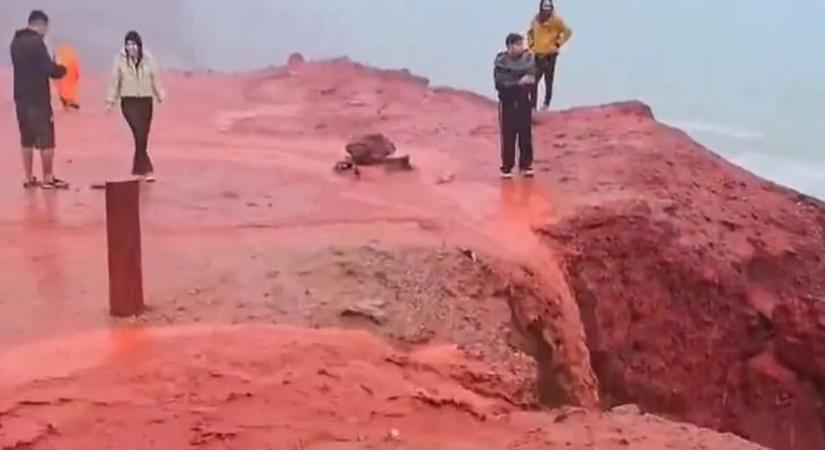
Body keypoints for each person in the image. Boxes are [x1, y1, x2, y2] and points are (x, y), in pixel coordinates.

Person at [10, 10, 69, 189]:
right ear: (40, 24)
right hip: (38, 99)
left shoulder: (15, 42)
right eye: (46, 28)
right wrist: (63, 69)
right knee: (46, 139)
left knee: (26, 139)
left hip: (20, 98)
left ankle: (28, 177)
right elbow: (49, 69)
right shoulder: (37, 43)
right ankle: (48, 177)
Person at [105, 31, 165, 182]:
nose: (130, 47)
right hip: (128, 100)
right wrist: (110, 101)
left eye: (133, 44)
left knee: (143, 135)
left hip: (145, 100)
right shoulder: (120, 60)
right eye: (127, 44)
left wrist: (160, 95)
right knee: (138, 132)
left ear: (139, 45)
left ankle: (139, 170)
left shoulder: (148, 58)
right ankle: (147, 169)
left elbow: (155, 77)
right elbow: (114, 80)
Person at [494, 33, 536, 179]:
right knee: (508, 136)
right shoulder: (501, 63)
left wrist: (517, 84)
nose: (520, 47)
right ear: (509, 46)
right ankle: (507, 167)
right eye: (517, 44)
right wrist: (518, 83)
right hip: (507, 102)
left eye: (521, 44)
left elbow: (531, 81)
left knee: (525, 134)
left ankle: (526, 165)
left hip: (524, 101)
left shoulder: (529, 60)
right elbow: (501, 85)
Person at [527, 0, 573, 111]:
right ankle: (533, 106)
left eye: (549, 7)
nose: (547, 9)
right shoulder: (536, 19)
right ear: (541, 7)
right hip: (538, 54)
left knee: (548, 79)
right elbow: (530, 33)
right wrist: (531, 45)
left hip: (550, 54)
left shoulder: (556, 20)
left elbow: (568, 32)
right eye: (545, 6)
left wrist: (558, 43)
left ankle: (546, 105)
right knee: (534, 80)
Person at [55, 43, 81, 110]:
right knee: (69, 88)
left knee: (62, 87)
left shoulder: (60, 54)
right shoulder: (72, 58)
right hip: (70, 70)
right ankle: (69, 101)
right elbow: (77, 71)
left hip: (62, 71)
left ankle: (65, 100)